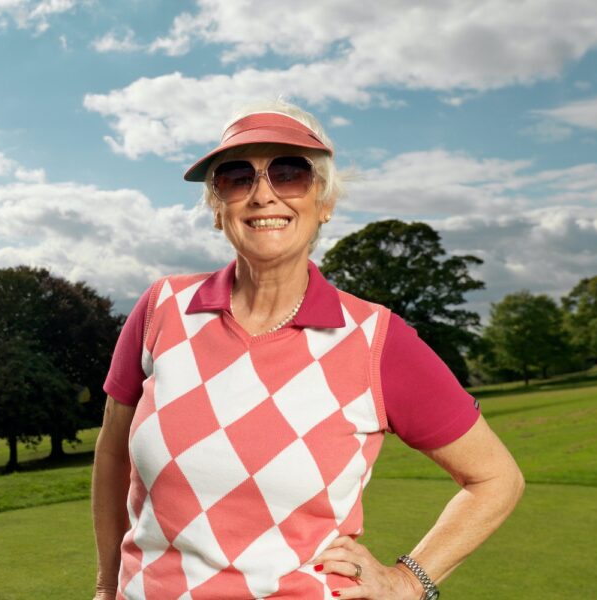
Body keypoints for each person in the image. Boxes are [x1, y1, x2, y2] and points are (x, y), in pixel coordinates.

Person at [91, 100, 524, 600]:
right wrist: (107, 585)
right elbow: (112, 454)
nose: (262, 195)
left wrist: (409, 581)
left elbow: (496, 478)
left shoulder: (375, 339)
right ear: (217, 208)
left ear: (325, 201)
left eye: (289, 173)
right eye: (237, 177)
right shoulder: (160, 309)